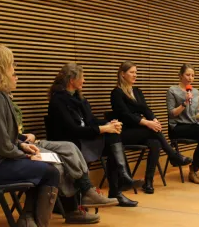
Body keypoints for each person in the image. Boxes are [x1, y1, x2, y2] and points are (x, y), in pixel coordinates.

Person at [0, 43, 59, 227]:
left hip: (2, 160)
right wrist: (27, 154)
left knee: (43, 169)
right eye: (12, 64)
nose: (15, 69)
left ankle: (29, 223)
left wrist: (21, 145)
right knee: (50, 172)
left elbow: (6, 138)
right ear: (1, 67)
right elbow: (2, 146)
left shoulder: (0, 96)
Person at [9, 94, 119, 226]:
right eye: (13, 74)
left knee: (69, 147)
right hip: (18, 147)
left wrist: (28, 134)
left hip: (29, 141)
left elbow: (14, 131)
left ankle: (87, 191)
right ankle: (71, 210)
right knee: (59, 161)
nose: (16, 77)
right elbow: (3, 138)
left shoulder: (8, 103)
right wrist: (20, 141)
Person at [48, 63, 143, 208]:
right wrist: (104, 128)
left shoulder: (80, 98)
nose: (84, 80)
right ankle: (120, 184)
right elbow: (73, 130)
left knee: (113, 135)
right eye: (82, 77)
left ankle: (118, 187)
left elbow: (90, 121)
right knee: (111, 136)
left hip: (83, 138)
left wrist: (110, 123)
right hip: (71, 143)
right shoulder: (58, 101)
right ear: (71, 80)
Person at [111, 61, 192, 194]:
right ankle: (173, 155)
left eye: (136, 72)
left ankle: (148, 182)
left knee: (155, 143)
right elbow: (125, 115)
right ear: (122, 74)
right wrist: (147, 123)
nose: (135, 75)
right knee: (153, 131)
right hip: (124, 132)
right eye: (132, 72)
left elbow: (146, 109)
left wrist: (154, 120)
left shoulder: (137, 91)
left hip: (141, 132)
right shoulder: (116, 93)